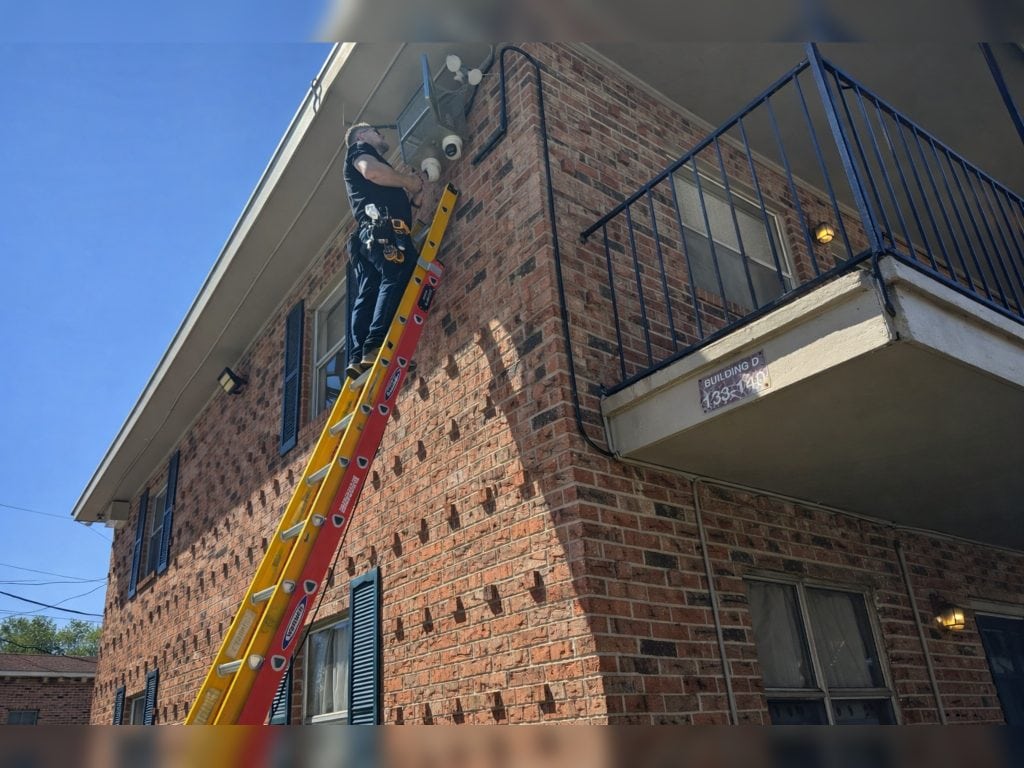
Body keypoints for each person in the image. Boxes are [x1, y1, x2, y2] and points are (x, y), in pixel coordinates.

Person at [343, 122, 429, 379]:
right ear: (361, 135)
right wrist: (409, 182)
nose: (380, 134)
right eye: (375, 130)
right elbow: (372, 172)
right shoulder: (359, 151)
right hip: (382, 231)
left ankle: (359, 355)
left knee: (370, 291)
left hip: (368, 236)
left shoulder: (366, 164)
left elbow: (380, 187)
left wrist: (412, 198)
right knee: (398, 271)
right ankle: (376, 344)